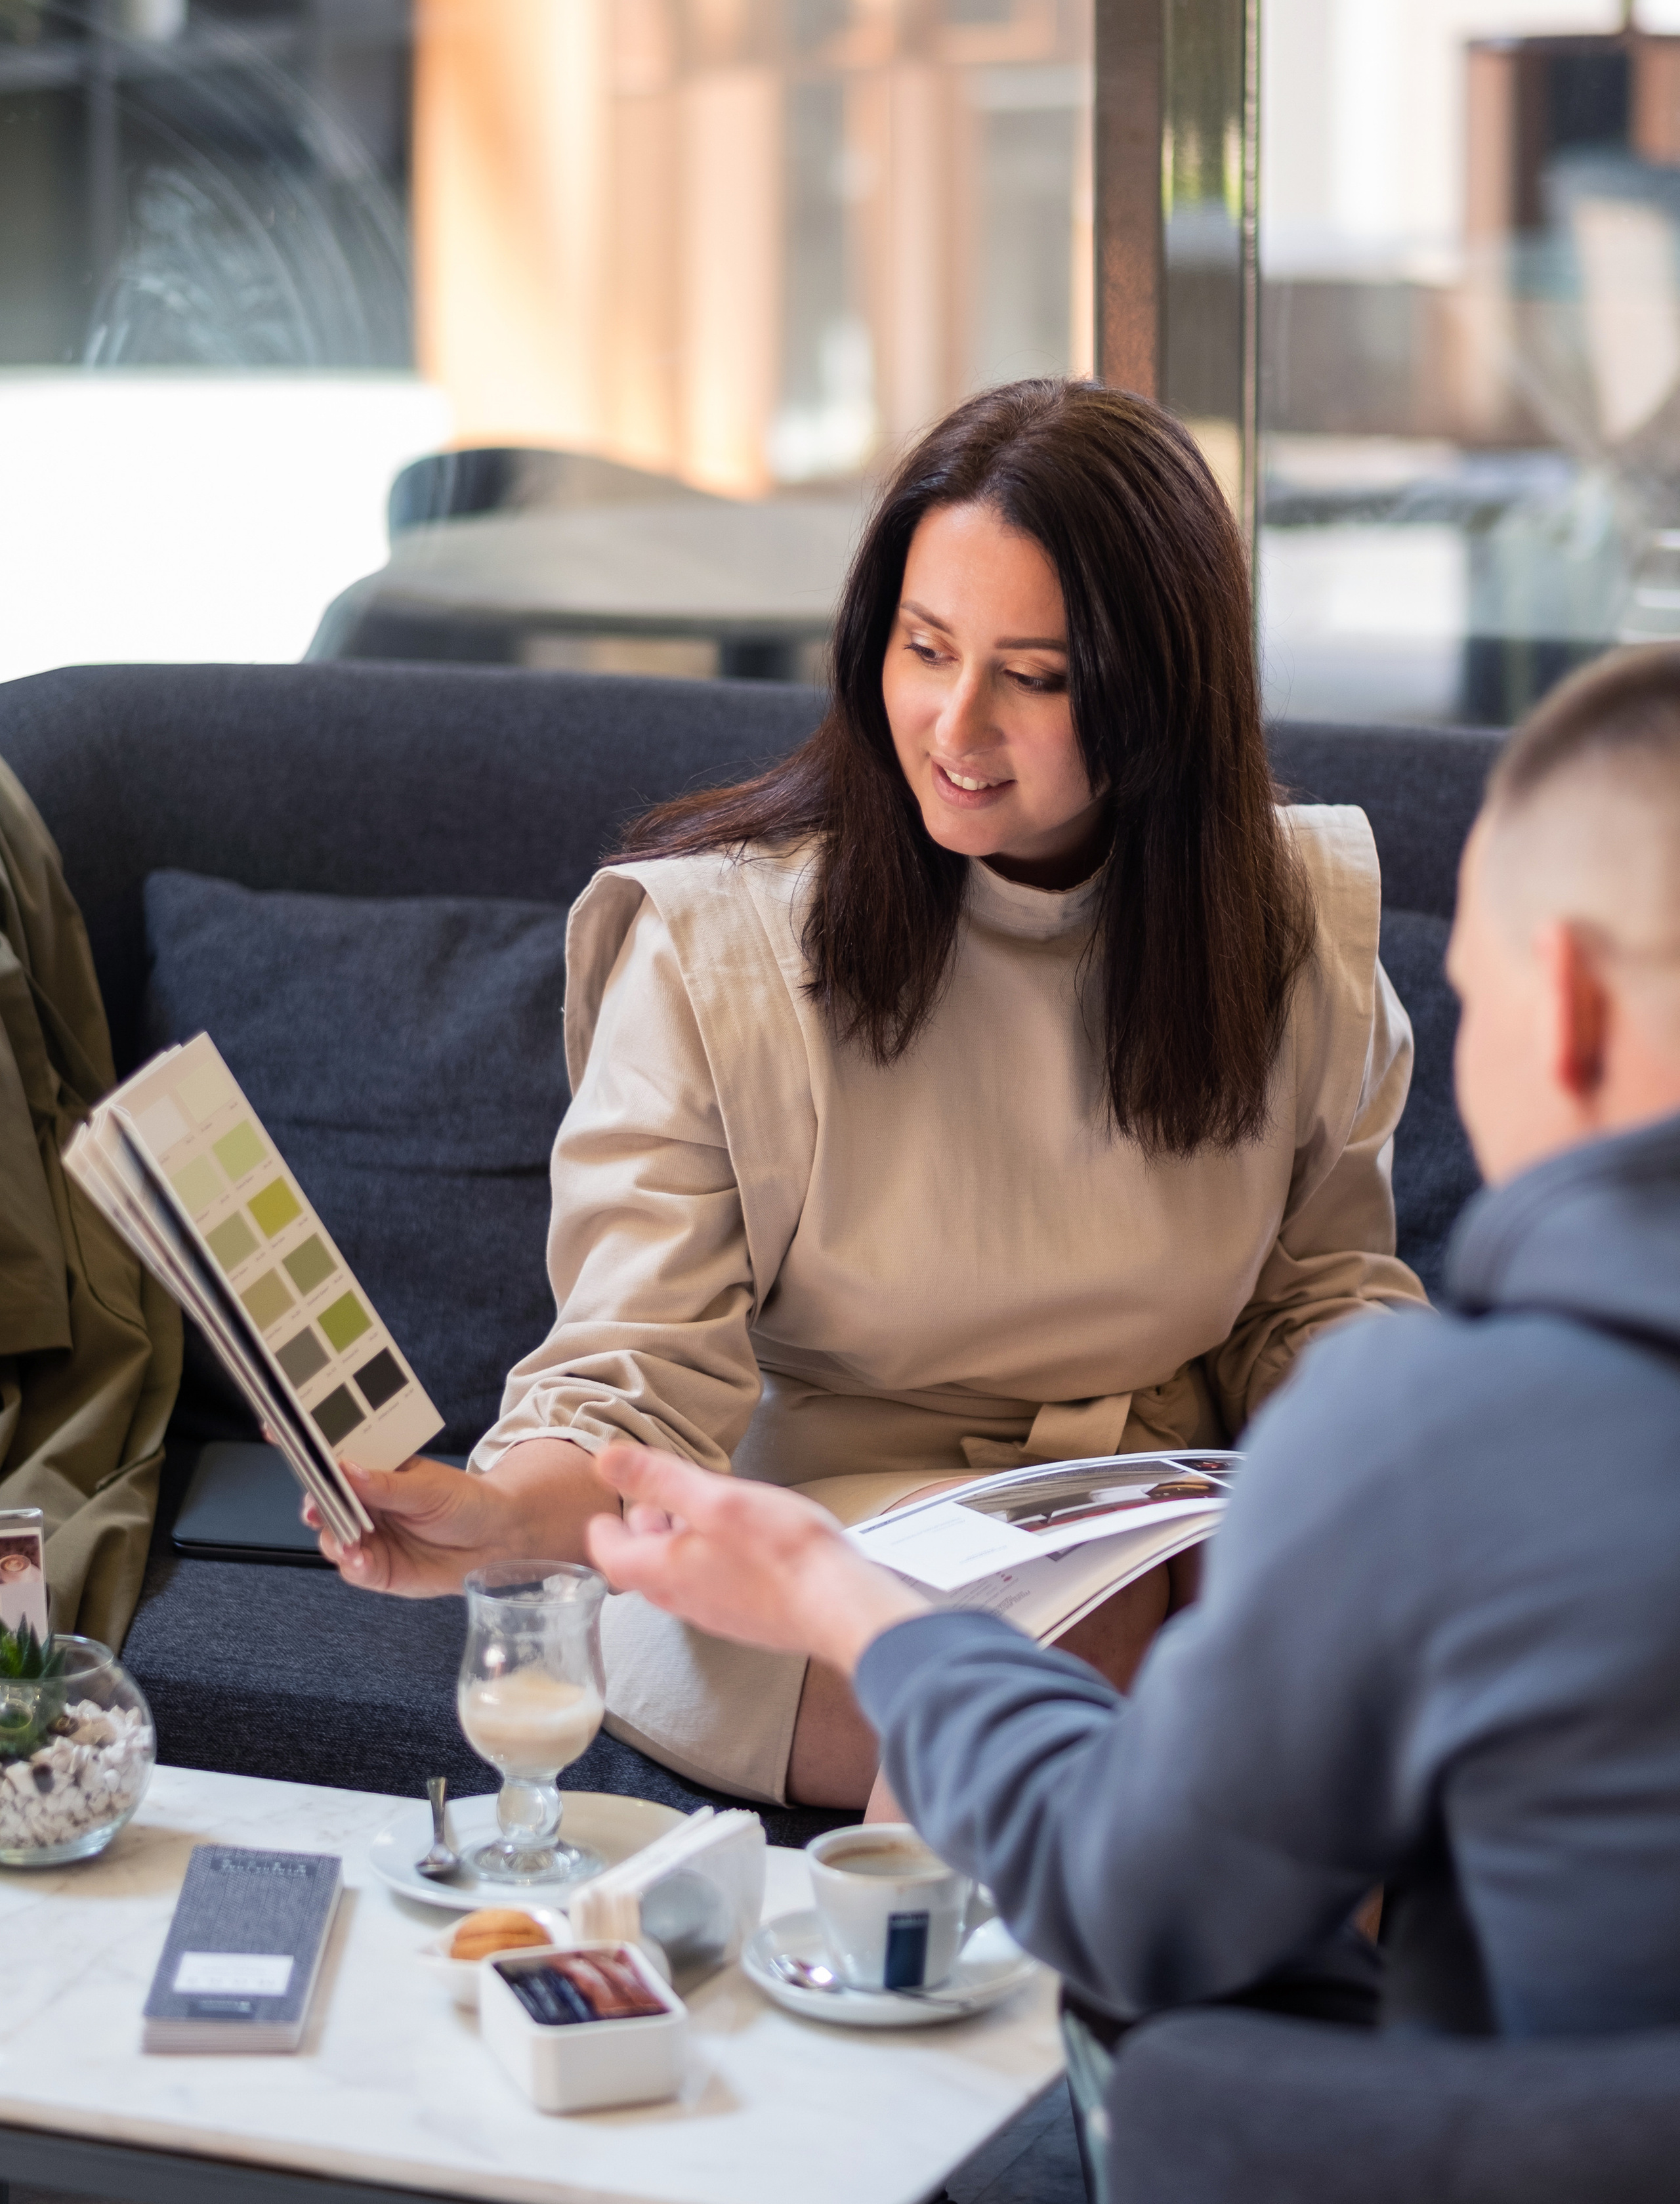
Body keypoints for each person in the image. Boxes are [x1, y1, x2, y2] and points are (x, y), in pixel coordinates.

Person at [310, 378, 1425, 1806]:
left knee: (1384, 1657)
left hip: (1161, 1508)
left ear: (1160, 693)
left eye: (1034, 677)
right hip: (802, 1549)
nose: (954, 726)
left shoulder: (1278, 929)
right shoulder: (722, 950)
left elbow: (1316, 1292)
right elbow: (634, 1375)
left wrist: (1393, 1482)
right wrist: (498, 1516)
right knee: (1073, 1667)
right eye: (923, 648)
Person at [583, 646, 1680, 2062]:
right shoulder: (725, 951)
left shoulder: (1435, 1435)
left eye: (1473, 994)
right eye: (924, 648)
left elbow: (1139, 1892)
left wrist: (836, 1593)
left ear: (1568, 1004)